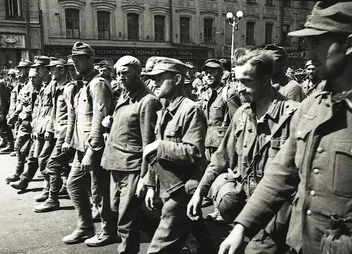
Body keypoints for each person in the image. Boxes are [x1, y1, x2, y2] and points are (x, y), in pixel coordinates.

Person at [219, 2, 352, 254]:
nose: (307, 54)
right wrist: (242, 226)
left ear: (349, 44)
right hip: (299, 244)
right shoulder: (311, 107)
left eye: (318, 43)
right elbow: (281, 173)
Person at [188, 48, 300, 254]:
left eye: (246, 81)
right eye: (237, 81)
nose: (239, 89)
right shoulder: (242, 114)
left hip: (279, 217)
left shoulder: (293, 115)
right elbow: (221, 157)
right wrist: (199, 191)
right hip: (247, 212)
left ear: (266, 80)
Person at [142, 57, 215, 254]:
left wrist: (160, 145)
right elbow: (155, 158)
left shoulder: (191, 109)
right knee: (199, 235)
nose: (154, 82)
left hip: (183, 189)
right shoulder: (164, 109)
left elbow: (194, 152)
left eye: (159, 78)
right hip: (169, 185)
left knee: (159, 247)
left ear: (177, 79)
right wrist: (150, 185)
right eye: (152, 78)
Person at [100, 55, 161, 253]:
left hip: (133, 167)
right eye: (117, 73)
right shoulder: (125, 96)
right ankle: (174, 239)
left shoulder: (147, 101)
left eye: (125, 72)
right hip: (115, 163)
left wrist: (146, 177)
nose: (120, 77)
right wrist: (110, 121)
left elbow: (149, 143)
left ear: (139, 72)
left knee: (126, 220)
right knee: (122, 211)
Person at [62, 42, 116, 245]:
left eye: (80, 58)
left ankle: (109, 230)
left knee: (99, 191)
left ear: (90, 60)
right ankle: (85, 226)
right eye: (73, 58)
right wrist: (70, 141)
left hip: (94, 148)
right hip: (80, 147)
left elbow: (98, 121)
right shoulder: (81, 84)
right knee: (73, 184)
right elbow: (75, 118)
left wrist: (92, 151)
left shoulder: (98, 84)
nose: (75, 62)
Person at [34, 58, 76, 212]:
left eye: (53, 69)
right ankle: (57, 190)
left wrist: (68, 139)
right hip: (57, 132)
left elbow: (72, 115)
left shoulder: (69, 88)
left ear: (62, 70)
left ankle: (53, 199)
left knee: (52, 164)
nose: (50, 72)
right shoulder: (57, 87)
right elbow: (53, 112)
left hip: (65, 134)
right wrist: (49, 130)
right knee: (47, 161)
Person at [10, 56, 55, 191]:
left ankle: (50, 191)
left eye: (38, 70)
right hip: (38, 128)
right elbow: (38, 110)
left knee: (46, 161)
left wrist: (48, 128)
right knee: (33, 156)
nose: (35, 76)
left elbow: (54, 110)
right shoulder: (41, 88)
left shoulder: (52, 86)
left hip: (49, 130)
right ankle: (24, 180)